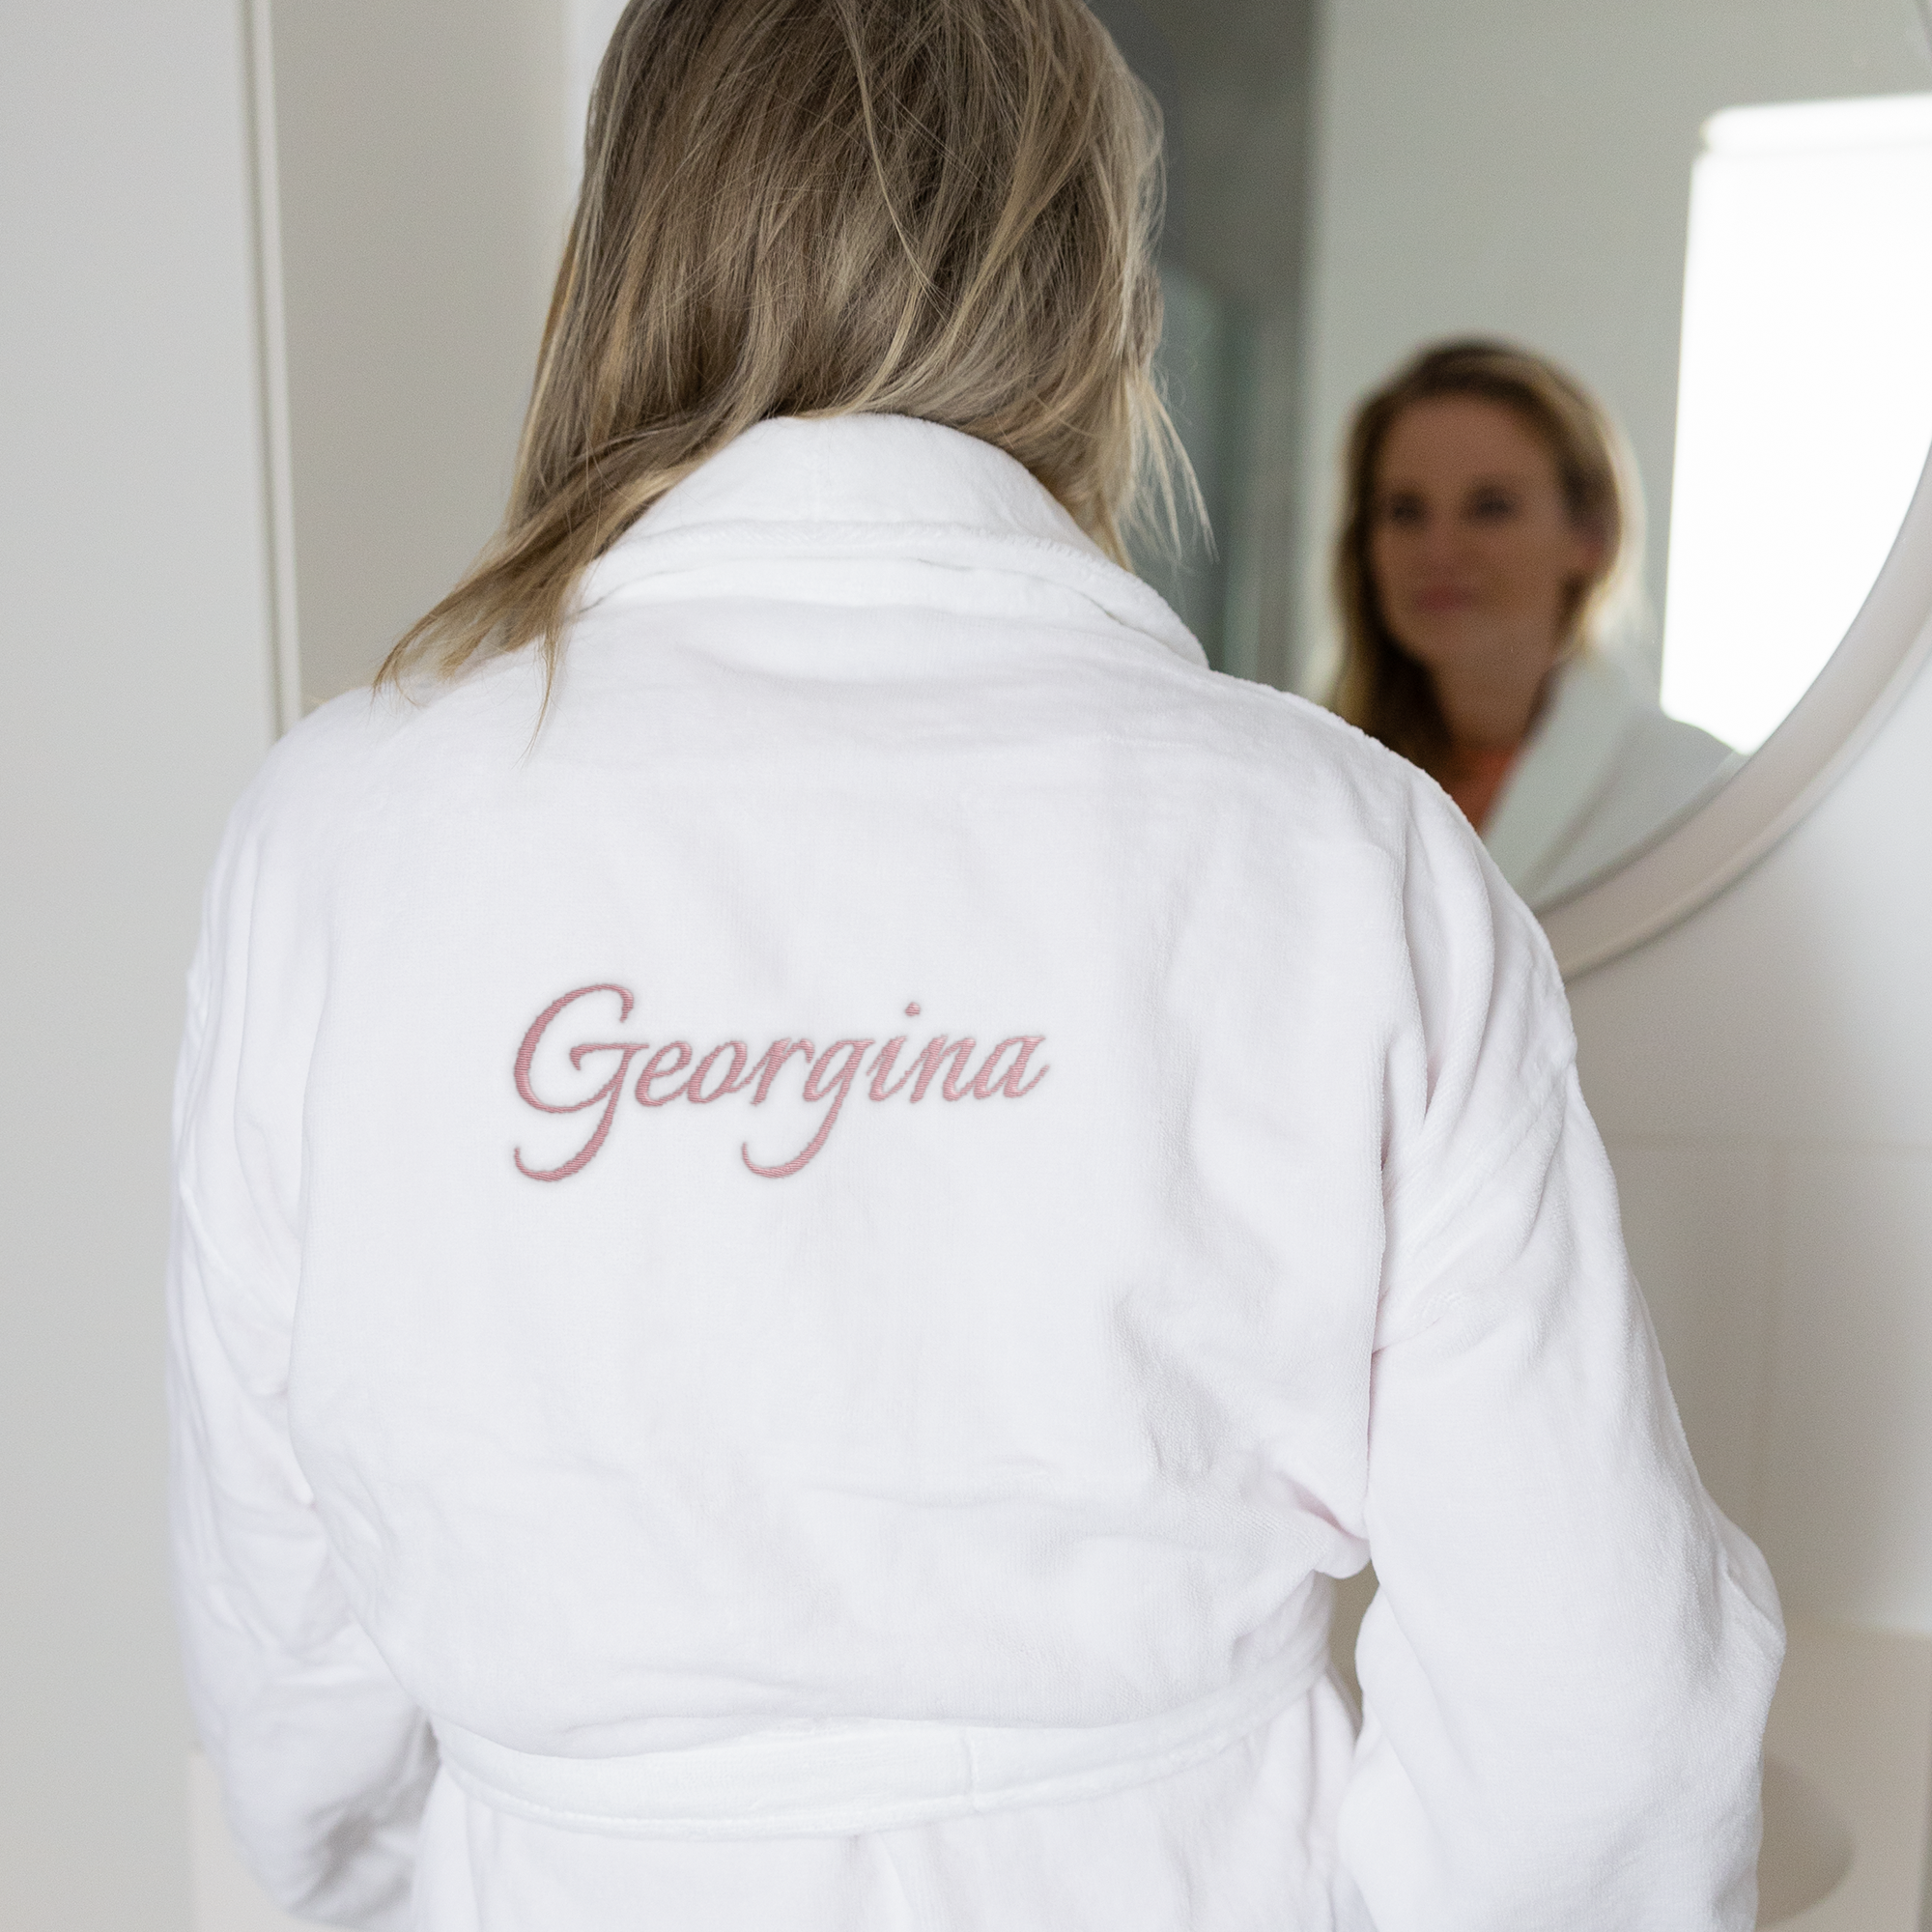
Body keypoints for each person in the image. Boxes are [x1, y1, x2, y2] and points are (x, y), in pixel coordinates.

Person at [168, 4, 1780, 1929]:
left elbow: (287, 1651)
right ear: (1091, 278)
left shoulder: (339, 835)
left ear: (626, 250)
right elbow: (1591, 1712)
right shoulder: (1337, 853)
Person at [1331, 339, 1736, 906]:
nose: (1438, 550)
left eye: (1490, 506)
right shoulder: (1314, 779)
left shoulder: (1696, 793)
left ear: (1590, 536)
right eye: (1405, 511)